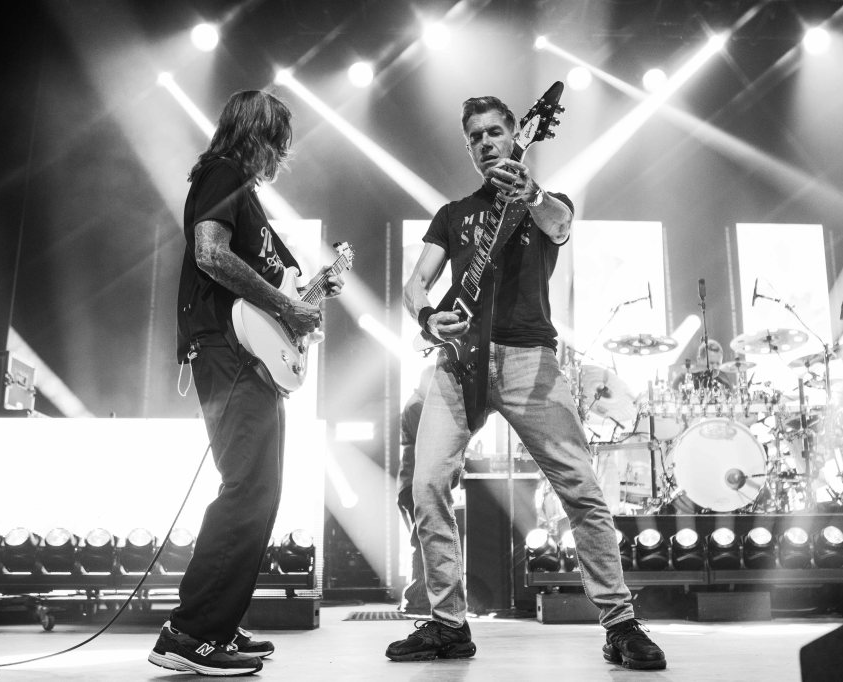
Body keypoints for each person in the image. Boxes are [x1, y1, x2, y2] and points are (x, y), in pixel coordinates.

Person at [387, 95, 666, 670]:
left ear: (518, 134)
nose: (485, 142)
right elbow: (416, 284)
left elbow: (560, 225)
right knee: (427, 485)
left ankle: (620, 624)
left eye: (495, 131)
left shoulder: (546, 203)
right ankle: (448, 623)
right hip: (458, 361)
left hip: (528, 359)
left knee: (580, 488)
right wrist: (427, 317)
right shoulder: (453, 214)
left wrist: (533, 195)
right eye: (475, 136)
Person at [149, 90, 344, 676]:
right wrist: (287, 309)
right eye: (278, 143)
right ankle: (190, 633)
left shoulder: (247, 197)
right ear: (258, 135)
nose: (281, 156)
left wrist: (305, 296)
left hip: (247, 357)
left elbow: (269, 283)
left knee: (260, 490)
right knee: (247, 488)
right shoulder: (223, 172)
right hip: (225, 351)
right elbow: (210, 254)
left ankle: (218, 623)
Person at [395, 364, 437, 617]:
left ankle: (419, 597)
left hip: (411, 482)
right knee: (423, 540)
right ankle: (417, 598)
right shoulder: (417, 407)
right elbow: (432, 441)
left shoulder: (418, 404)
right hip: (414, 482)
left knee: (422, 539)